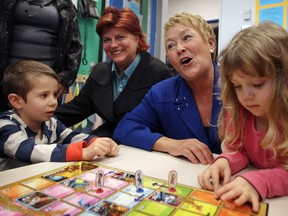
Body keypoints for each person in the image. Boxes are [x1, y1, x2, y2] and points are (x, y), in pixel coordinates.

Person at [197, 22, 288, 212]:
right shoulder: (239, 111)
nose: (246, 96)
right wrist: (225, 161)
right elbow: (239, 150)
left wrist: (258, 182)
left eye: (257, 84)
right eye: (238, 86)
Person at [113, 12, 222, 165]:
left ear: (211, 44)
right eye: (171, 45)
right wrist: (172, 145)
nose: (179, 48)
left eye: (187, 37)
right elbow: (125, 129)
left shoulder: (240, 84)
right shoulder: (162, 93)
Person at [54, 6, 173, 138]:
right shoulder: (100, 72)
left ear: (137, 38)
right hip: (107, 142)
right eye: (107, 40)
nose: (113, 45)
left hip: (146, 145)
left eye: (120, 37)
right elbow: (76, 109)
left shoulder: (159, 73)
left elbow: (169, 125)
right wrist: (35, 119)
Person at [0, 60, 119, 171]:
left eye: (55, 95)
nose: (54, 102)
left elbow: (70, 136)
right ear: (16, 101)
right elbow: (30, 151)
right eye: (44, 95)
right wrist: (81, 152)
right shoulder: (6, 125)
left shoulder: (51, 122)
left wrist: (97, 142)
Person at [0, 0, 82, 112]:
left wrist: (64, 80)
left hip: (46, 84)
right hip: (5, 80)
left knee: (38, 127)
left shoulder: (65, 5)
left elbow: (75, 46)